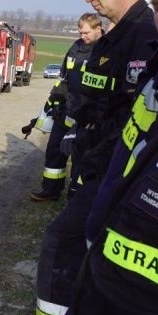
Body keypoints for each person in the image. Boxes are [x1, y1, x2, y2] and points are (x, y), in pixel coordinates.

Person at [2, 0, 157, 315]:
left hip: (115, 176)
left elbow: (132, 119)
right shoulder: (113, 37)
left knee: (63, 241)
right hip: (93, 169)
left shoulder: (146, 35)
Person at [29, 13, 103, 202]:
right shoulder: (75, 47)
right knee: (55, 150)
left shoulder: (105, 51)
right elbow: (63, 78)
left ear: (98, 29)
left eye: (86, 33)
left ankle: (75, 196)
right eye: (80, 32)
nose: (82, 37)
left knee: (80, 158)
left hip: (87, 117)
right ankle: (51, 190)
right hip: (66, 112)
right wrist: (53, 100)